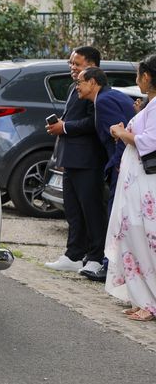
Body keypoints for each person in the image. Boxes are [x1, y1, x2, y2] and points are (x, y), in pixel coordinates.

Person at [45, 46, 107, 272]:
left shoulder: (98, 91)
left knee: (91, 210)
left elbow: (93, 122)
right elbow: (73, 117)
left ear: (92, 66)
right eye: (71, 63)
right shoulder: (75, 87)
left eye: (77, 64)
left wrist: (66, 127)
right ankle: (73, 254)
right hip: (71, 157)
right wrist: (60, 124)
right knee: (73, 210)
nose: (73, 67)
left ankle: (95, 257)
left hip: (88, 159)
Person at [105, 54, 156, 322]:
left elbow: (151, 141)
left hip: (146, 184)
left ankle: (151, 302)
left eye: (138, 75)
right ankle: (140, 298)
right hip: (136, 182)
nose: (137, 80)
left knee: (144, 237)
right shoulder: (150, 104)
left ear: (147, 76)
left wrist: (120, 132)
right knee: (131, 235)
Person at [74, 67, 135, 281]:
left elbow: (119, 132)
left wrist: (117, 163)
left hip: (122, 164)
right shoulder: (113, 95)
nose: (77, 87)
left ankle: (109, 268)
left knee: (115, 217)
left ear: (92, 82)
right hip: (125, 163)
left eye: (80, 82)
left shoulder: (104, 101)